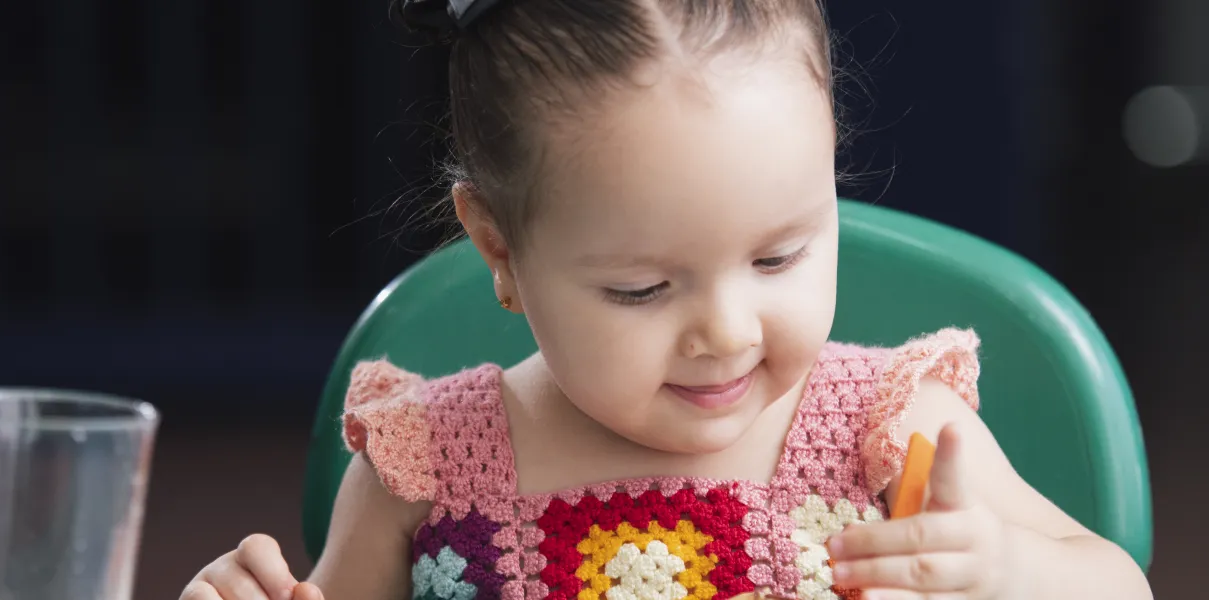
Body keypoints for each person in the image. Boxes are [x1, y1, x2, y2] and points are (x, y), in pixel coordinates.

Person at [182, 0, 1153, 597]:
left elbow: (1118, 587)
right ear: (498, 247)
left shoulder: (891, 432)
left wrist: (1008, 575)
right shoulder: (424, 468)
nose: (725, 331)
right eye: (641, 288)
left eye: (779, 258)